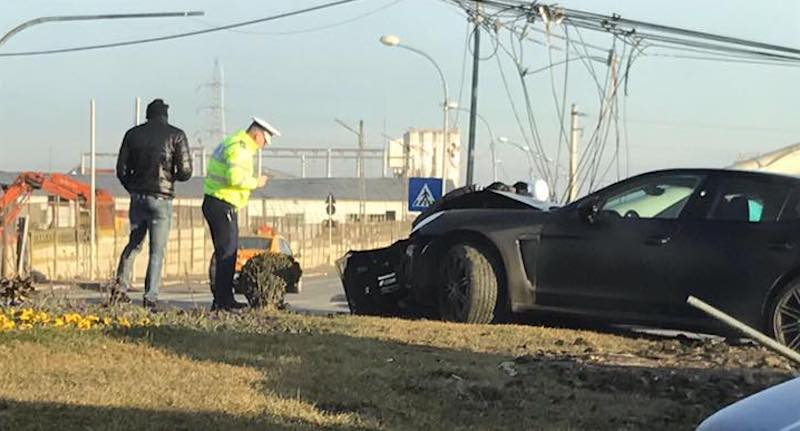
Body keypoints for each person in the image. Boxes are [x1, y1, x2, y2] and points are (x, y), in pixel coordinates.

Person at [113, 99, 193, 309]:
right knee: (157, 250)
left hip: (138, 197)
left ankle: (120, 287)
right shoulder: (176, 135)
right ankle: (150, 297)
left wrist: (133, 188)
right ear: (165, 115)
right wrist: (170, 178)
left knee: (134, 243)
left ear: (148, 114)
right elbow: (186, 172)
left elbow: (121, 170)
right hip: (161, 199)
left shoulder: (132, 134)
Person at [203, 117, 279, 311]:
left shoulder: (232, 142)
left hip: (217, 201)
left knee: (227, 252)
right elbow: (235, 178)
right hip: (223, 202)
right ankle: (223, 301)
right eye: (265, 141)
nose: (264, 146)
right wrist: (256, 182)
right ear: (257, 135)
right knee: (227, 254)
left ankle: (223, 299)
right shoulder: (240, 149)